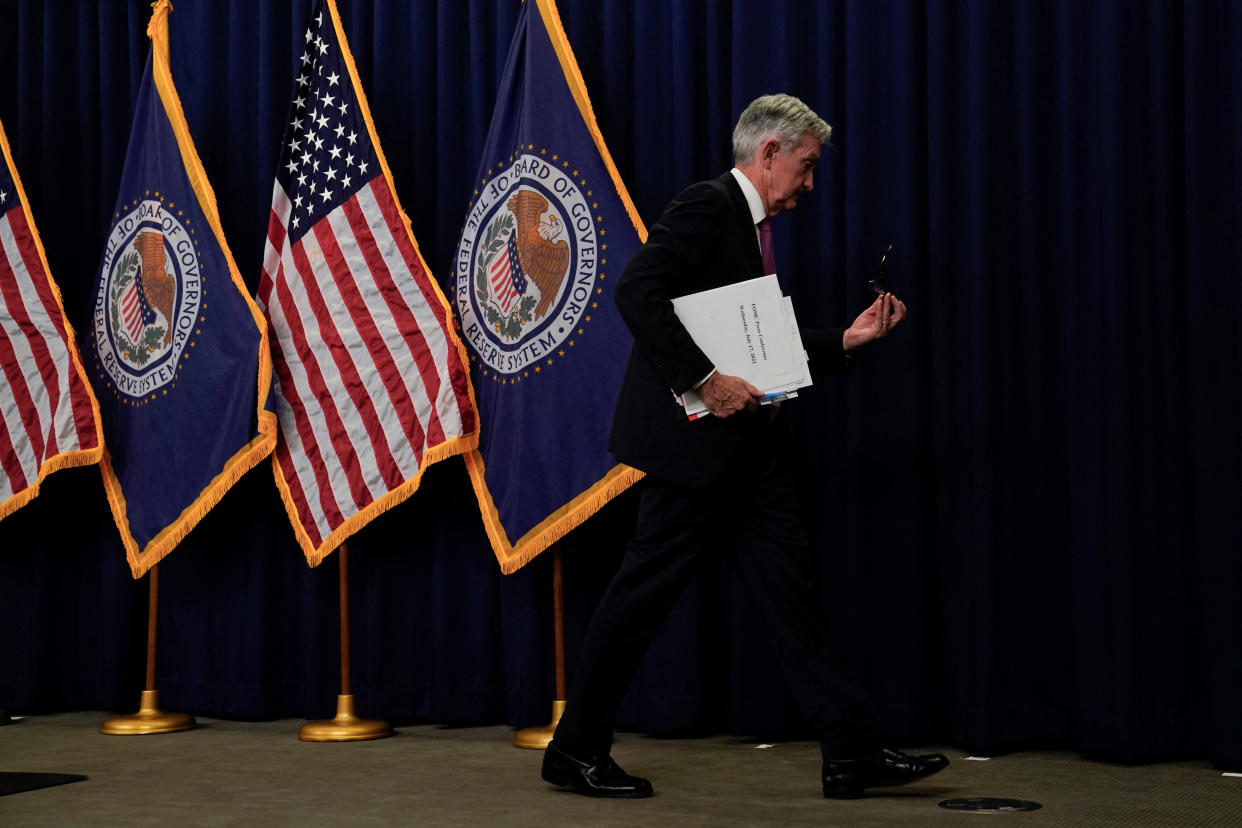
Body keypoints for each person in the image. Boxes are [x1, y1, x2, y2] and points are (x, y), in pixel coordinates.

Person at [540, 94, 947, 800]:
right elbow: (636, 292)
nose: (810, 186)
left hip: (748, 451)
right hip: (694, 449)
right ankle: (574, 750)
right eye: (806, 167)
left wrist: (845, 341)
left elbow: (754, 349)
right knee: (639, 602)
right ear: (769, 154)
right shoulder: (708, 206)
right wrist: (703, 379)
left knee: (795, 597)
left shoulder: (749, 226)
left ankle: (850, 751)